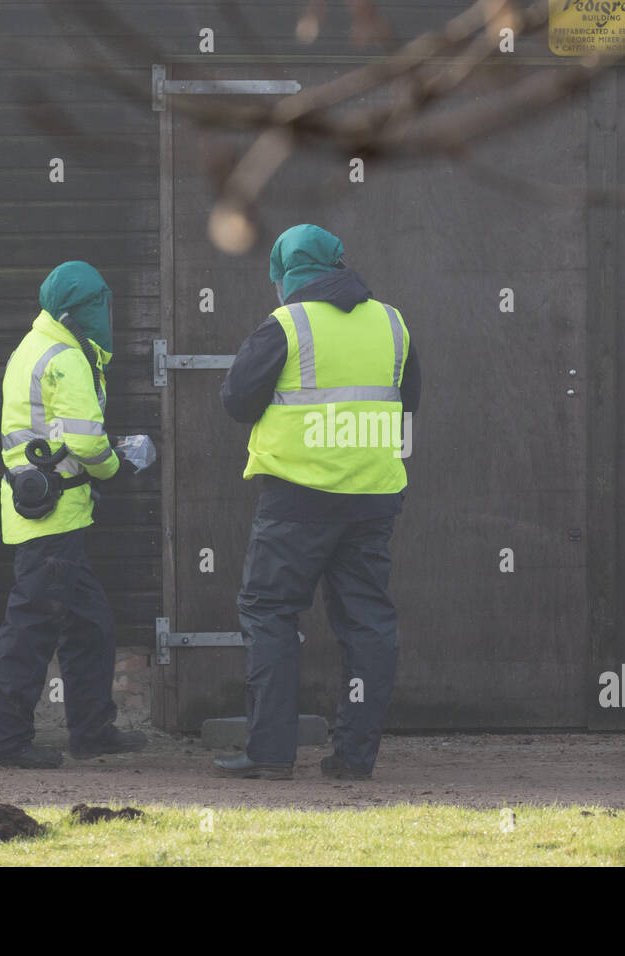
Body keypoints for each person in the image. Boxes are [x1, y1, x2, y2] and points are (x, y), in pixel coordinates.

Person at [215, 225, 421, 780]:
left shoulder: (286, 324)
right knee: (367, 625)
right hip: (372, 500)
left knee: (270, 615)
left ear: (285, 277)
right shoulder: (392, 322)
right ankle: (354, 759)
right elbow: (409, 402)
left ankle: (270, 754)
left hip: (297, 503)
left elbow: (236, 401)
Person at [0, 260, 146, 768]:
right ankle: (6, 743)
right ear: (84, 310)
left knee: (89, 624)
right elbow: (82, 440)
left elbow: (54, 433)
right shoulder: (67, 357)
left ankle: (92, 730)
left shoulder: (34, 345)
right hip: (53, 521)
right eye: (100, 306)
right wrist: (119, 464)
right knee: (30, 629)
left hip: (48, 513)